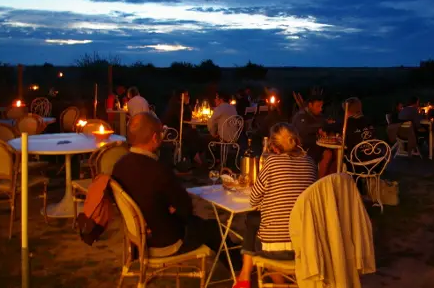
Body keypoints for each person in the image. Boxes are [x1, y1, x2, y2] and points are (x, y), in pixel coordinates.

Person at [112, 113, 241, 268]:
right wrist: (172, 208)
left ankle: (239, 262)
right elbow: (185, 209)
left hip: (138, 238)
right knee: (213, 228)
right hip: (165, 241)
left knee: (203, 225)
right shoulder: (157, 170)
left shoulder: (119, 165)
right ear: (154, 138)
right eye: (161, 133)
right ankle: (240, 268)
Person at [233, 123, 317, 288]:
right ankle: (247, 277)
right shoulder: (310, 163)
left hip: (275, 249)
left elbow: (254, 200)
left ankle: (246, 276)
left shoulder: (271, 163)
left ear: (273, 146)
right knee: (256, 221)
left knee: (253, 220)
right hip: (306, 244)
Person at [291, 95, 326, 161]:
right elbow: (303, 130)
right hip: (303, 148)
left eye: (321, 106)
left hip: (317, 145)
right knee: (326, 154)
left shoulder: (319, 116)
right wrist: (318, 129)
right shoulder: (301, 115)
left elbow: (324, 124)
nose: (320, 109)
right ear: (310, 105)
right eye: (318, 106)